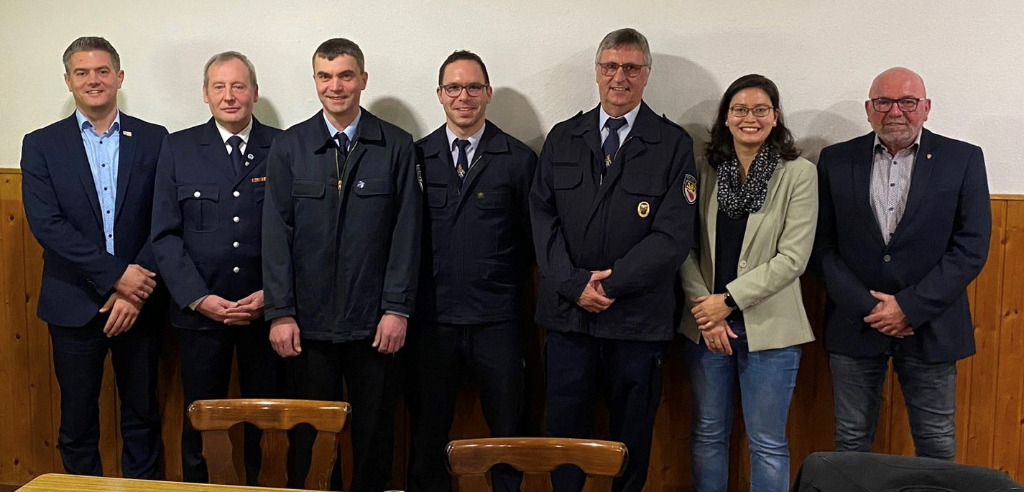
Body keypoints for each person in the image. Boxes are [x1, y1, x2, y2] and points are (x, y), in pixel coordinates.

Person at [530, 27, 697, 492]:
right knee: (564, 437)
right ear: (597, 72)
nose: (619, 77)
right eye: (610, 67)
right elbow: (542, 222)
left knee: (632, 439)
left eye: (630, 68)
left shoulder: (672, 144)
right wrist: (572, 284)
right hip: (568, 321)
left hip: (636, 323)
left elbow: (672, 236)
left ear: (646, 75)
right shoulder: (564, 138)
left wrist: (610, 284)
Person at [261, 37, 421, 491]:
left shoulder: (396, 145)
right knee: (312, 439)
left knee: (375, 438)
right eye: (326, 76)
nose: (336, 86)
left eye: (346, 76)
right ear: (315, 81)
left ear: (363, 80)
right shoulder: (290, 147)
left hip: (375, 325)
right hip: (306, 327)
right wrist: (280, 312)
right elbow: (275, 237)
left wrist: (397, 309)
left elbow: (406, 236)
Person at [813, 67, 991, 460]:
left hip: (932, 324)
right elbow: (821, 247)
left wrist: (909, 307)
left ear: (926, 108)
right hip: (856, 323)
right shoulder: (836, 160)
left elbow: (971, 247)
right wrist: (873, 309)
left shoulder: (962, 159)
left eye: (908, 102)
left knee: (936, 442)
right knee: (852, 441)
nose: (896, 111)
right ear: (869, 109)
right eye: (884, 102)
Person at [21, 36, 167, 478]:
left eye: (102, 71)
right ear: (68, 81)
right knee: (78, 423)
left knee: (142, 418)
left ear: (119, 77)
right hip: (74, 304)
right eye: (82, 72)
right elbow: (48, 226)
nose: (93, 80)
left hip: (140, 304)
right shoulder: (41, 144)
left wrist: (133, 291)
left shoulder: (155, 139)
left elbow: (163, 221)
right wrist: (118, 276)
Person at [405, 50, 536, 492]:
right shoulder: (416, 159)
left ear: (488, 93)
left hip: (497, 320)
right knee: (427, 437)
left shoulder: (517, 159)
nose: (464, 97)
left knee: (508, 436)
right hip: (432, 321)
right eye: (454, 88)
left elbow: (530, 244)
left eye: (474, 87)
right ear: (440, 95)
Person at [678, 74, 817, 492]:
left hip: (771, 330)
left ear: (775, 118)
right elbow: (684, 247)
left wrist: (729, 301)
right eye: (740, 109)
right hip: (707, 329)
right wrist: (707, 310)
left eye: (760, 110)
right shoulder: (704, 169)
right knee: (707, 435)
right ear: (725, 117)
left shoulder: (799, 173)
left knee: (768, 444)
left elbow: (793, 258)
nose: (749, 118)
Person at [151, 51, 283, 484]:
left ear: (255, 93)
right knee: (200, 417)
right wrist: (199, 298)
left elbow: (299, 233)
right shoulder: (178, 147)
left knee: (261, 422)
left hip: (263, 313)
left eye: (239, 86)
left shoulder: (283, 147)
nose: (230, 96)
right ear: (205, 95)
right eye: (219, 87)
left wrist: (272, 295)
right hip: (200, 315)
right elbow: (165, 236)